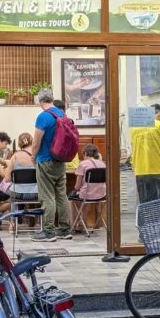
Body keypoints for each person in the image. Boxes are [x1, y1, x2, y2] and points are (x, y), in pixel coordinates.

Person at [31, 88, 71, 242]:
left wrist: (33, 157)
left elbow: (36, 142)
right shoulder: (62, 114)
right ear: (52, 99)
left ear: (40, 101)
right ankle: (64, 229)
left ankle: (48, 231)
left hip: (45, 160)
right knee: (61, 195)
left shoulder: (43, 117)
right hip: (60, 160)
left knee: (47, 196)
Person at [130, 103, 160, 204]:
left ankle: (145, 220)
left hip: (140, 171)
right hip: (158, 170)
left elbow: (133, 147)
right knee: (158, 205)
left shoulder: (135, 127)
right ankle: (158, 220)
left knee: (144, 204)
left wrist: (133, 163)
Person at [69, 144, 106, 231]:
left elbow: (77, 186)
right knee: (84, 198)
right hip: (102, 195)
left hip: (87, 195)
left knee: (72, 198)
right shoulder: (103, 164)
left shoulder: (83, 164)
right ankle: (84, 222)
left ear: (85, 153)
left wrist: (75, 188)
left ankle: (75, 224)